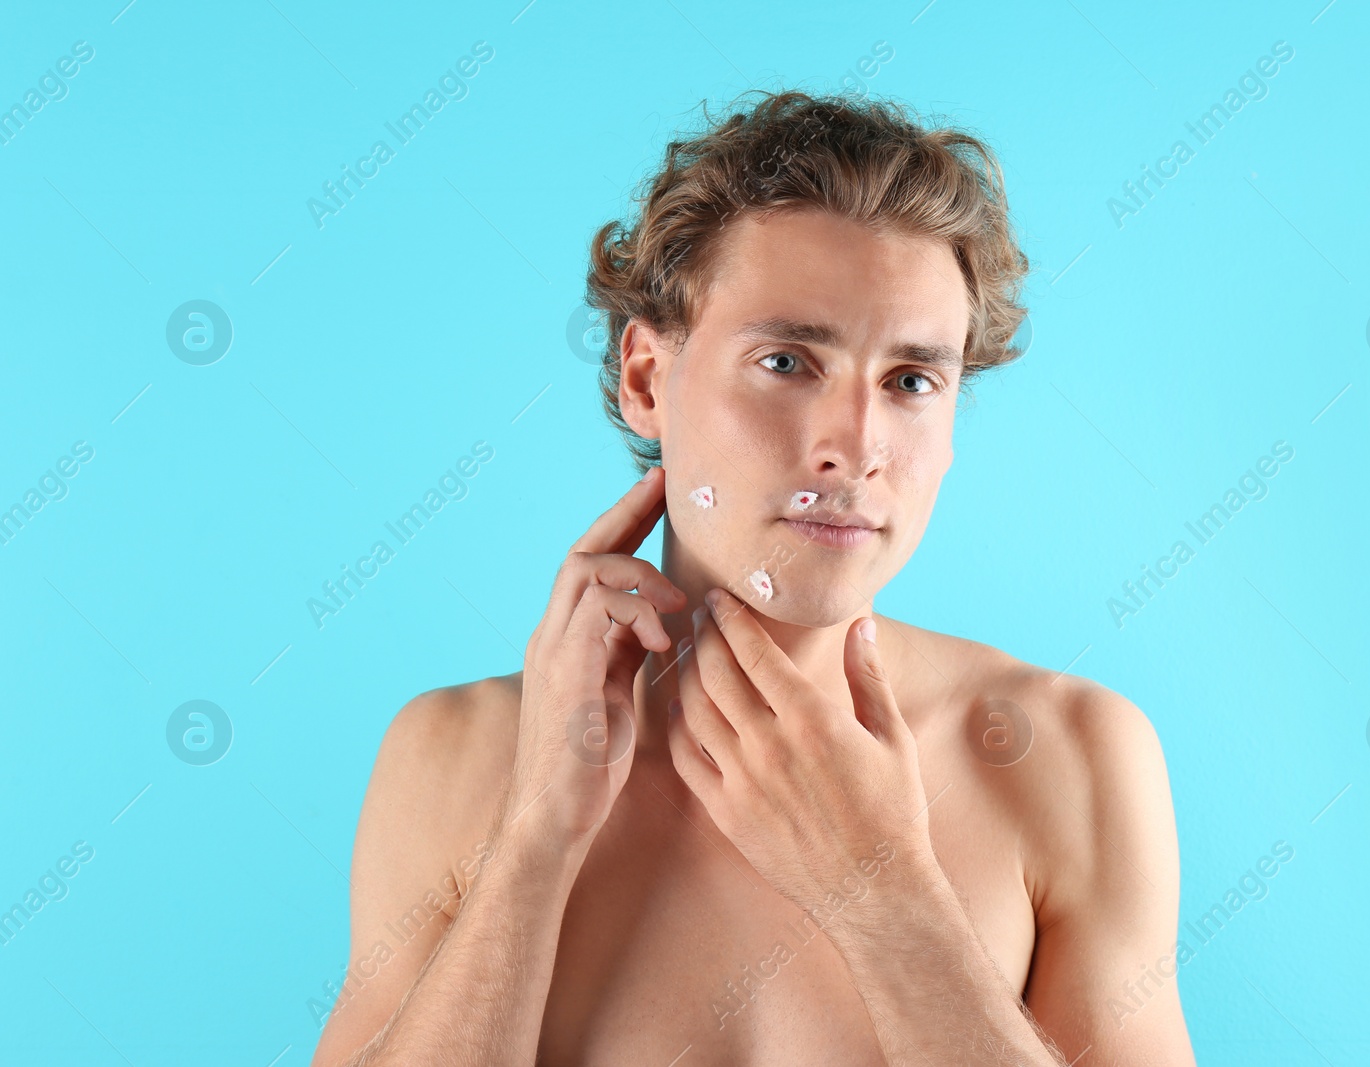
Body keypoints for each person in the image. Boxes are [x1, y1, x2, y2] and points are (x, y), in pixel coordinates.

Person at [311, 89, 1195, 1066]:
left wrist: (885, 890)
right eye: (786, 360)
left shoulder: (1064, 755)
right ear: (646, 377)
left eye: (909, 381)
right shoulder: (454, 756)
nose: (854, 445)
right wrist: (531, 844)